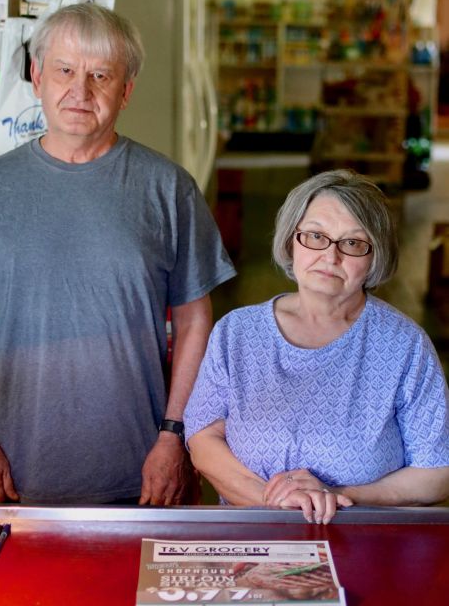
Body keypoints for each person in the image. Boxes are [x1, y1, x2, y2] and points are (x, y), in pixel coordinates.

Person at [0, 3, 236, 506]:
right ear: (37, 77)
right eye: (64, 70)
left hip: (146, 471)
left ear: (125, 91)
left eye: (100, 75)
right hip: (20, 470)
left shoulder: (167, 187)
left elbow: (196, 323)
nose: (79, 91)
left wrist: (174, 436)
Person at [185, 169, 449, 524]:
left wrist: (339, 498)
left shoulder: (405, 346)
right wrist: (274, 503)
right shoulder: (237, 332)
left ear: (376, 256)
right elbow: (203, 436)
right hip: (250, 538)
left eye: (353, 243)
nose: (330, 256)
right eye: (315, 236)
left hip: (363, 544)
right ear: (291, 241)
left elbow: (438, 472)